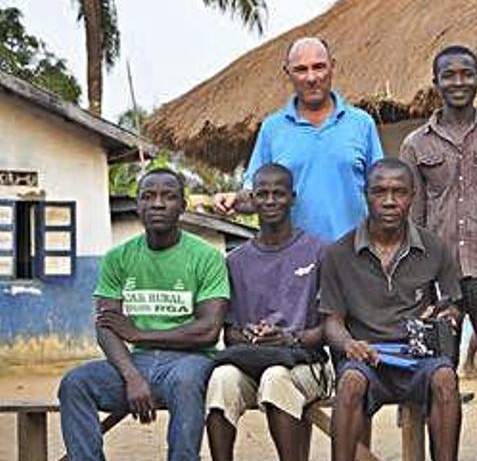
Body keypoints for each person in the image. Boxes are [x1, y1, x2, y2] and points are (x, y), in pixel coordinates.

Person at [58, 168, 230, 461]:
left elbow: (208, 330)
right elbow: (106, 326)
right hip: (136, 361)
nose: (158, 204)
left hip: (191, 361)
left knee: (186, 382)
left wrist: (138, 334)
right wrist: (131, 376)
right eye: (148, 196)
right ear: (137, 204)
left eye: (169, 196)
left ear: (183, 206)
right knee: (76, 383)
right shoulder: (118, 257)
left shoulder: (207, 257)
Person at [319, 158, 464, 461]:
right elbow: (331, 321)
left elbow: (451, 305)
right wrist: (349, 344)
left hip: (419, 359)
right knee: (350, 382)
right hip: (367, 358)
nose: (389, 201)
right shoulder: (338, 254)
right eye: (379, 191)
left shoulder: (435, 249)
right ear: (366, 194)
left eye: (399, 192)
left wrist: (446, 316)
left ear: (413, 196)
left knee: (445, 378)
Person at [400, 45, 477, 376]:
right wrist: (419, 280)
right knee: (437, 371)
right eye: (448, 75)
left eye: (466, 74)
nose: (458, 82)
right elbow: (414, 217)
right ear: (435, 82)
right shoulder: (415, 144)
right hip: (439, 276)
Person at [205, 163, 332, 461]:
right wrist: (251, 336)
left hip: (307, 365)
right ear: (252, 199)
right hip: (253, 362)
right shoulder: (235, 261)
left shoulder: (319, 252)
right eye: (263, 194)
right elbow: (230, 333)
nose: (271, 201)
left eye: (279, 193)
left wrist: (289, 340)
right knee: (221, 378)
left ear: (293, 198)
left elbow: (331, 327)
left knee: (276, 378)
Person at [213, 37, 384, 242]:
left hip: (353, 257)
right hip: (293, 261)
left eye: (319, 67)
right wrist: (234, 200)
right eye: (301, 70)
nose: (311, 78)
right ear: (288, 73)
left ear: (333, 67)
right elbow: (256, 195)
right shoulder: (272, 129)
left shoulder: (361, 124)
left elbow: (380, 192)